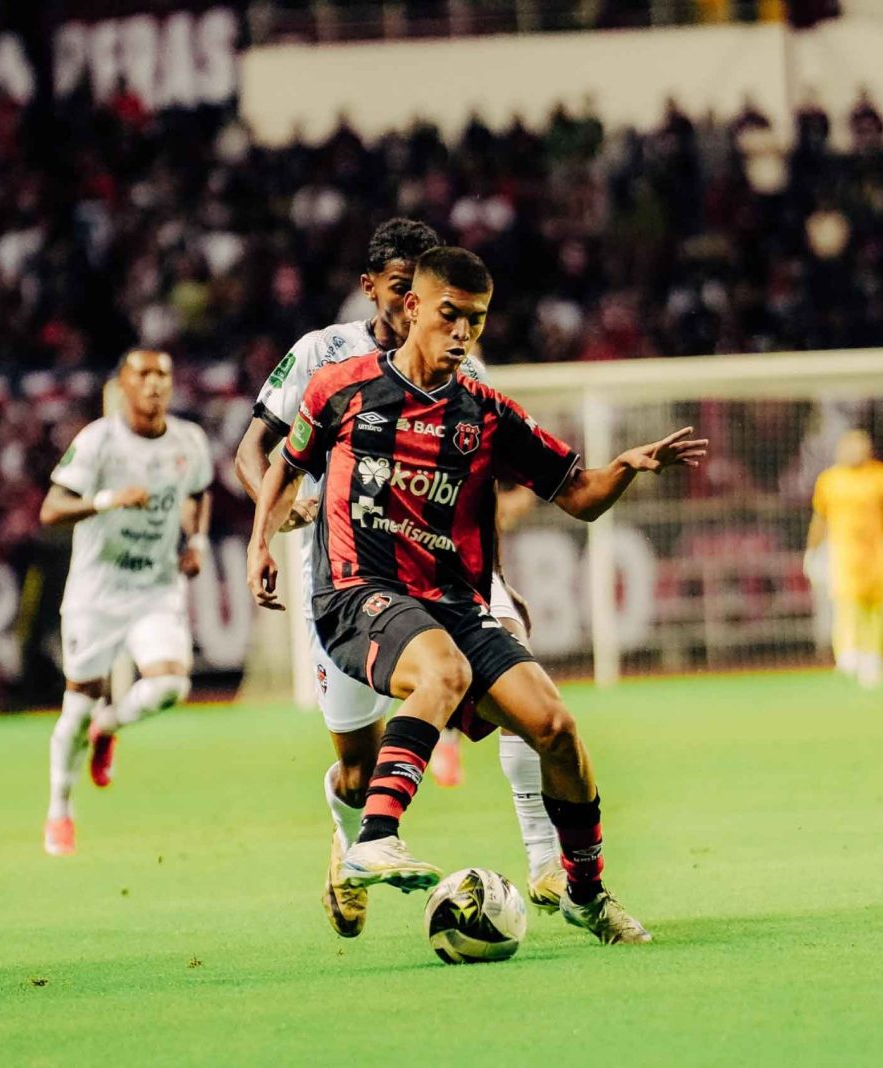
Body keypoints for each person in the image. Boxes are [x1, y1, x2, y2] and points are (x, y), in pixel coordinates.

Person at [252, 247, 707, 944]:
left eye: (476, 319)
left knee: (555, 728)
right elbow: (284, 465)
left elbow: (578, 495)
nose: (463, 332)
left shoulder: (486, 411)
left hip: (450, 599)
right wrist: (260, 544)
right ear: (412, 309)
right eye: (450, 315)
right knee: (439, 678)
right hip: (355, 589)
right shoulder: (340, 385)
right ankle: (374, 837)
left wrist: (626, 468)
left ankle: (585, 893)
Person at [235, 219, 565, 938]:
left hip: (446, 569)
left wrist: (499, 580)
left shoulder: (464, 362)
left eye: (429, 292)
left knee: (520, 668)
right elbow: (253, 449)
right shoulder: (323, 354)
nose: (416, 304)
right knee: (357, 762)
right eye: (399, 288)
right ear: (375, 288)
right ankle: (350, 838)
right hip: (349, 572)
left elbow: (477, 481)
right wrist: (278, 514)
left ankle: (546, 858)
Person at [40, 349, 213, 855]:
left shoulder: (190, 441)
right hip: (96, 593)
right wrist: (105, 500)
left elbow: (198, 493)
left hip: (155, 588)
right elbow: (50, 509)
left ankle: (109, 724)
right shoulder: (98, 442)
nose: (155, 384)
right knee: (74, 707)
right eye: (143, 375)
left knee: (170, 685)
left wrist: (196, 542)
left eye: (163, 374)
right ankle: (60, 808)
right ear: (122, 385)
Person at [804, 429, 883, 688]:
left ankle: (874, 655)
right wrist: (812, 550)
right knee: (846, 603)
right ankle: (848, 655)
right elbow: (820, 518)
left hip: (877, 550)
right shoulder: (829, 480)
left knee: (876, 605)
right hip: (843, 552)